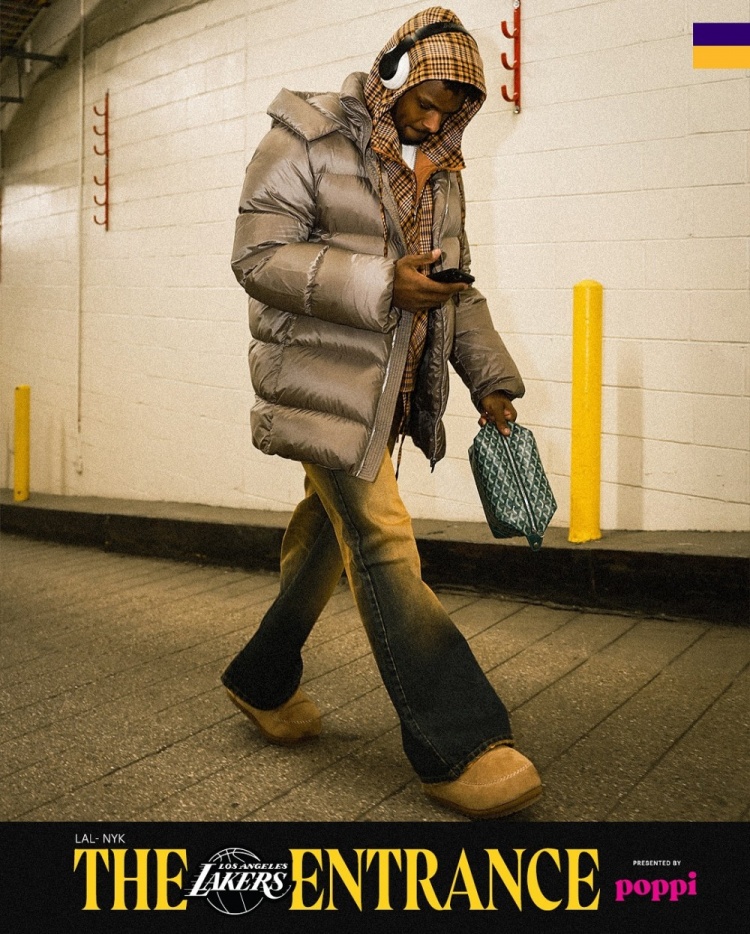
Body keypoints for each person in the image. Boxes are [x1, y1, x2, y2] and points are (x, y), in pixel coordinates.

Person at [222, 6, 542, 819]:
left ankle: (261, 678)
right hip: (325, 388)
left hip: (391, 398)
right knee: (384, 539)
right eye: (428, 99)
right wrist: (378, 284)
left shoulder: (444, 173)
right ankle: (458, 742)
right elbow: (257, 256)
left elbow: (455, 292)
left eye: (454, 110)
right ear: (398, 71)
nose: (436, 120)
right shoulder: (306, 134)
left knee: (332, 537)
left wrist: (490, 383)